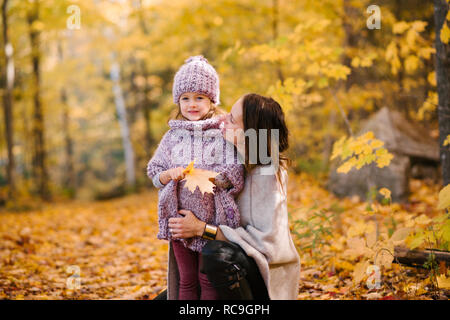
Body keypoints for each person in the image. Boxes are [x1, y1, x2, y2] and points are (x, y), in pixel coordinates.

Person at [168, 93, 301, 300]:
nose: (222, 121)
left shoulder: (268, 172)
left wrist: (202, 229)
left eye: (231, 119)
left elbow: (264, 244)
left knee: (217, 255)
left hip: (263, 275)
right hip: (226, 267)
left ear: (250, 132)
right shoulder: (231, 159)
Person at [146, 56, 245, 300]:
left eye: (199, 97)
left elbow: (235, 170)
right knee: (187, 280)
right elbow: (154, 171)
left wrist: (217, 178)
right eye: (185, 98)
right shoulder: (172, 137)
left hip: (211, 221)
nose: (192, 104)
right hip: (179, 221)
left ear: (212, 100)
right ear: (177, 101)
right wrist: (168, 175)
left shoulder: (220, 134)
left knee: (207, 278)